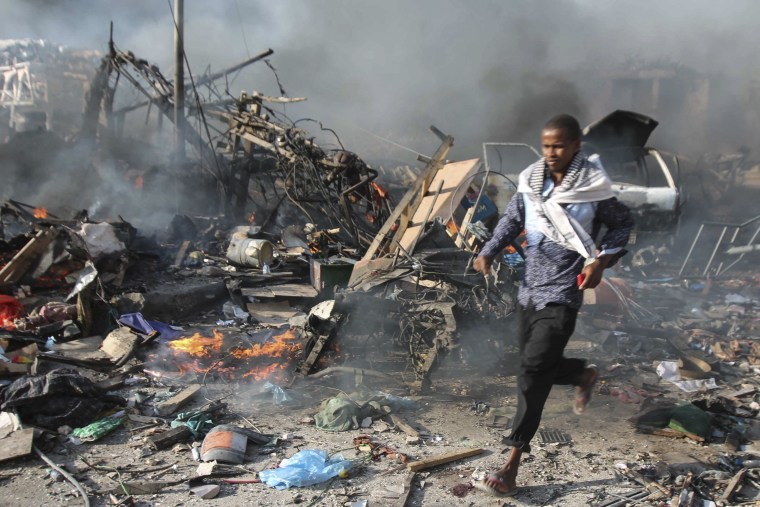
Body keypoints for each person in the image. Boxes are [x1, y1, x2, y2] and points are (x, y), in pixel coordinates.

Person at [473, 113, 634, 497]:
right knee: (534, 364)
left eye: (559, 145)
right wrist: (489, 252)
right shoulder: (531, 181)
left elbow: (622, 225)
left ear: (576, 145)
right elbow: (511, 220)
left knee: (532, 370)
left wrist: (601, 261)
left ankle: (511, 464)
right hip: (529, 291)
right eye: (546, 145)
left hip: (564, 292)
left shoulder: (592, 186)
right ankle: (580, 375)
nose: (551, 152)